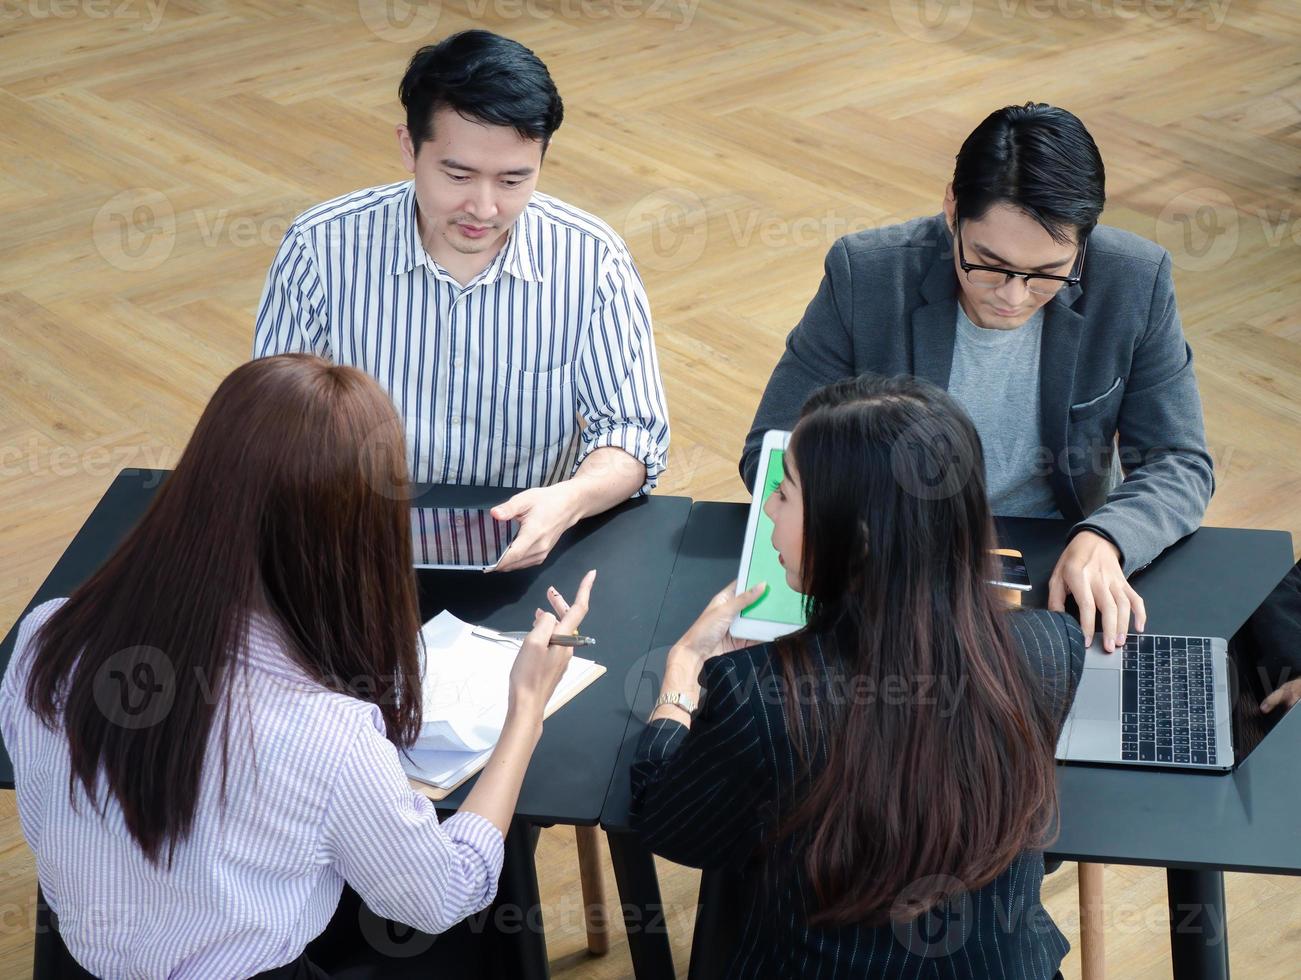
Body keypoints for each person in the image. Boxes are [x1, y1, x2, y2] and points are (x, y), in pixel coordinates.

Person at [0, 354, 595, 978]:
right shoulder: (327, 737)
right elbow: (442, 895)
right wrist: (525, 710)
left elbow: (48, 821)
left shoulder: (46, 637)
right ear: (359, 536)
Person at [634, 374, 1085, 978]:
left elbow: (673, 826)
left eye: (786, 494)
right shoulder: (1052, 647)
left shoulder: (757, 696)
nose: (767, 507)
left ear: (858, 537)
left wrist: (682, 679)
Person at [741, 102, 1215, 654]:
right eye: (988, 264)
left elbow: (1179, 460)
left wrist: (1108, 536)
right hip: (891, 571)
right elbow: (770, 449)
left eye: (1045, 275)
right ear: (951, 208)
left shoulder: (1136, 280)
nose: (1013, 297)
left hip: (1052, 564)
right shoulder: (866, 274)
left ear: (1083, 242)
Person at [254, 29, 670, 572]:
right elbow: (271, 424)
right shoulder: (320, 248)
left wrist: (568, 500)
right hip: (351, 548)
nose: (484, 208)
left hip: (530, 552)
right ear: (409, 147)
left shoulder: (593, 261)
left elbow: (633, 432)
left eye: (514, 180)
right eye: (458, 175)